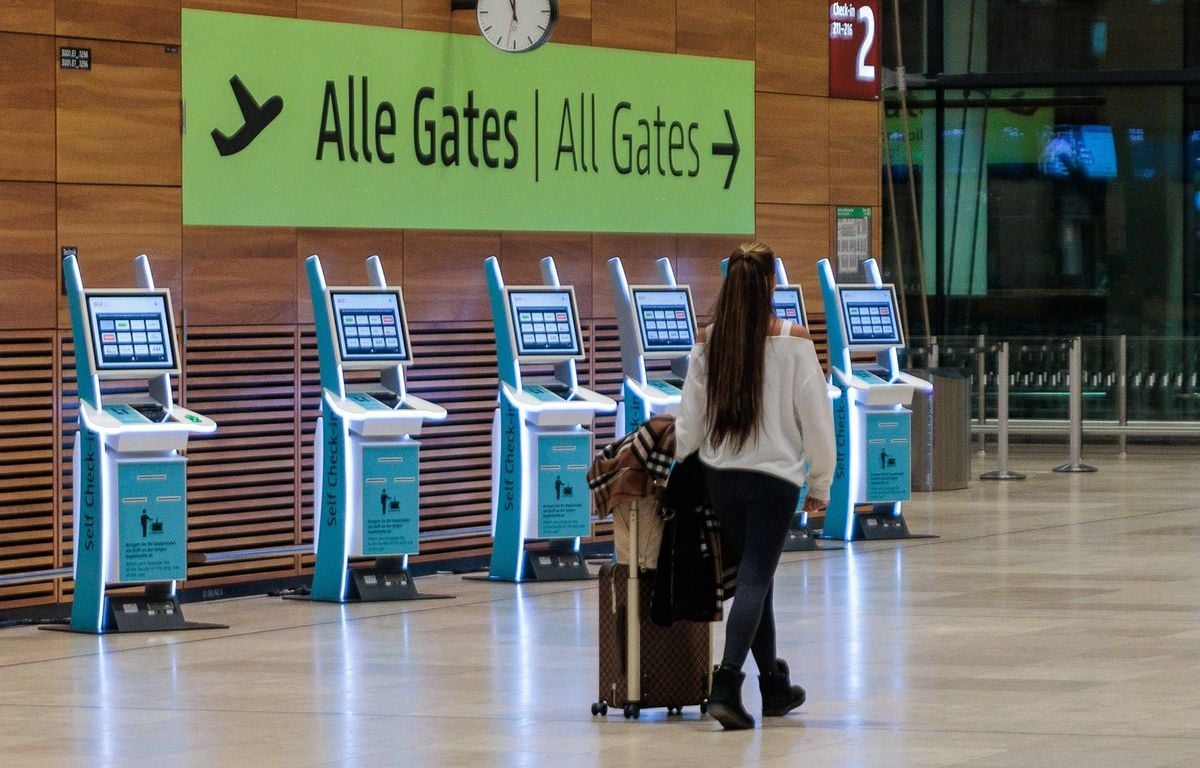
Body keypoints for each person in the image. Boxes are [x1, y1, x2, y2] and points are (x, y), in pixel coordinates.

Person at [674, 242, 836, 730]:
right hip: (775, 481)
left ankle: (773, 685)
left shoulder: (709, 341)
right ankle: (725, 685)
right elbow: (817, 419)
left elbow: (689, 425)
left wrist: (679, 461)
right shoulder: (794, 340)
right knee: (754, 579)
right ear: (770, 283)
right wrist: (821, 480)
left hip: (721, 477)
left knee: (754, 577)